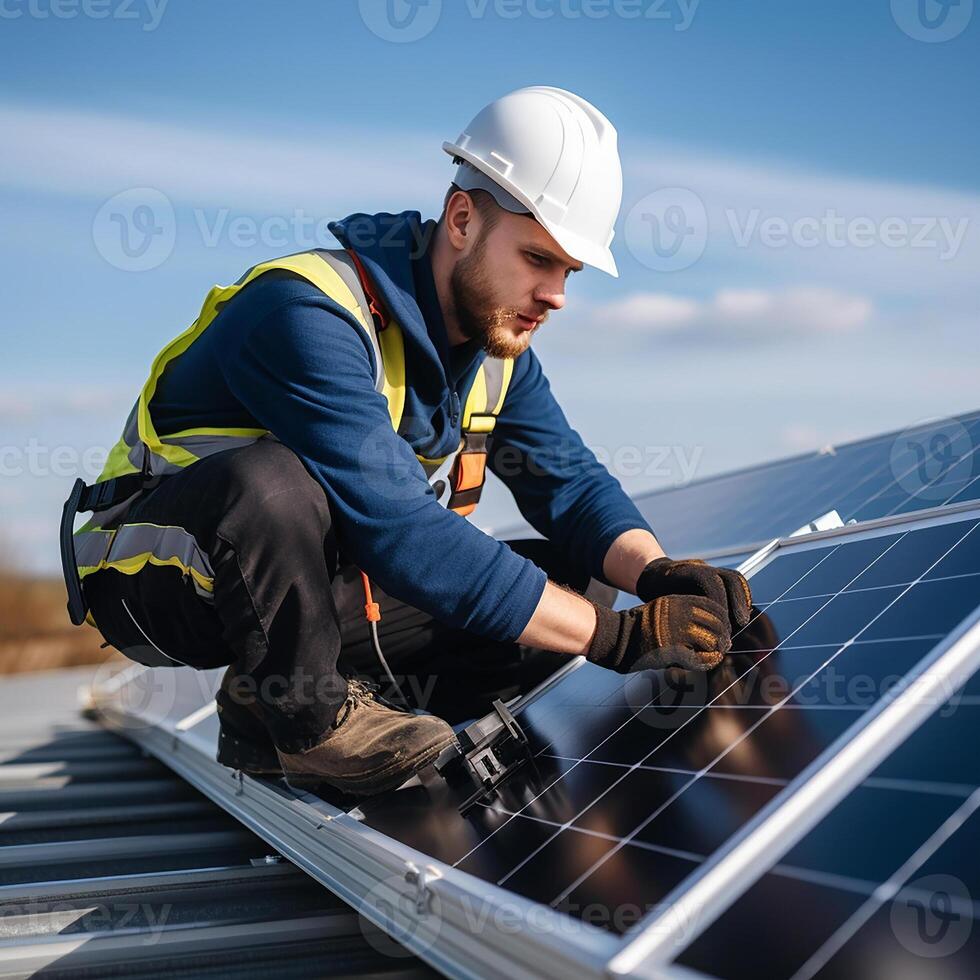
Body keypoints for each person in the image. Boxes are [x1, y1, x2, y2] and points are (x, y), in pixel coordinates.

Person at [65, 86, 751, 798]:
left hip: (284, 594)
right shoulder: (303, 312)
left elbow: (571, 485)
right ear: (461, 219)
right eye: (538, 259)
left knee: (573, 587)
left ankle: (271, 698)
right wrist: (618, 641)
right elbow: (402, 532)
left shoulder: (497, 353)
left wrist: (658, 575)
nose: (558, 296)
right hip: (154, 579)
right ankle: (311, 724)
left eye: (569, 272)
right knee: (271, 485)